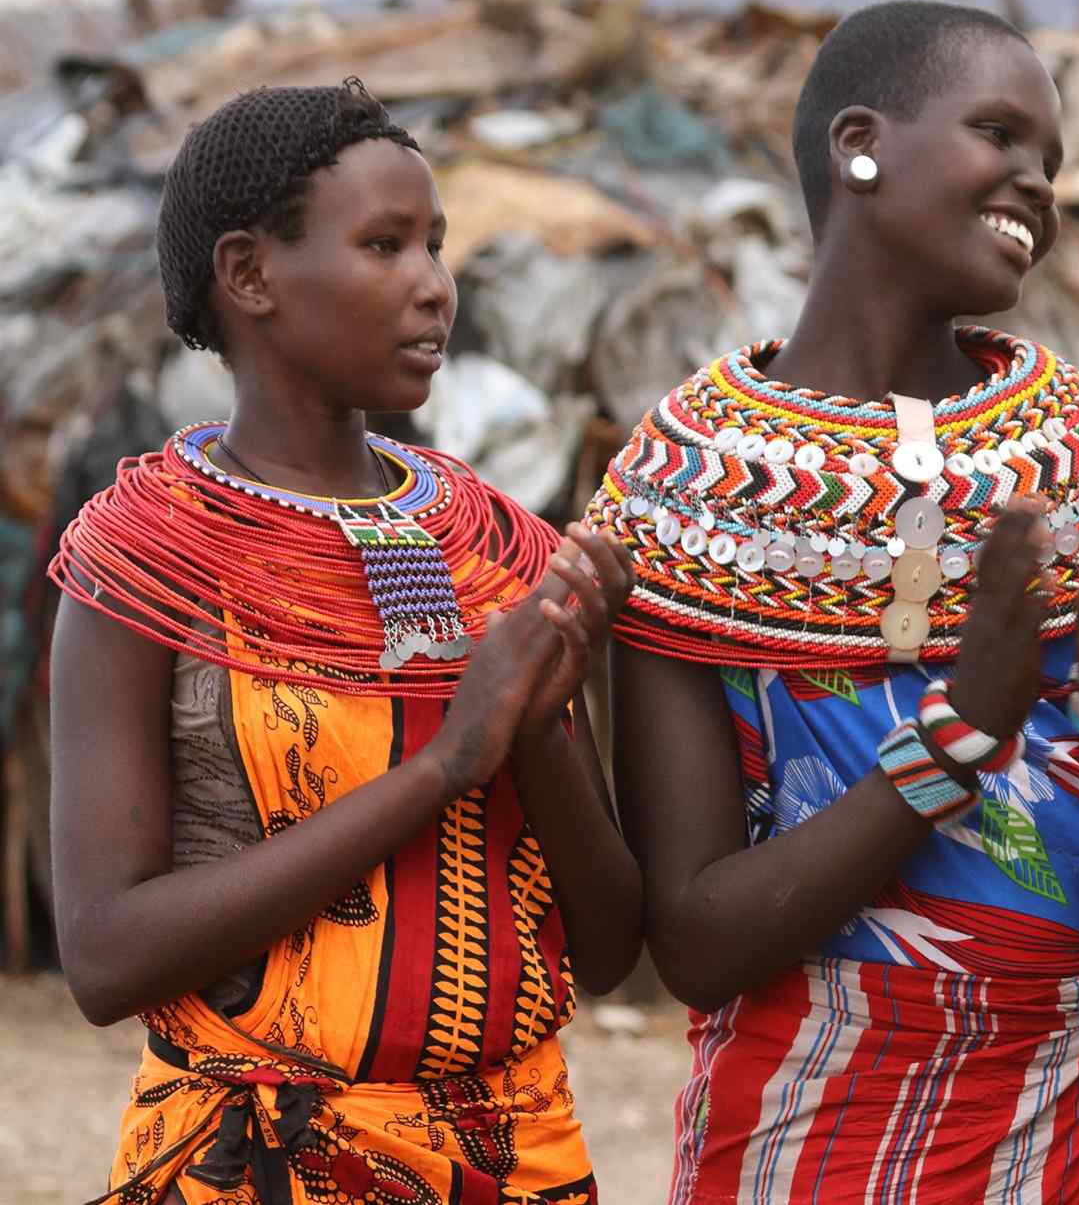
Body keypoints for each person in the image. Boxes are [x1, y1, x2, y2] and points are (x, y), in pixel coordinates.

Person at [594, 1, 1079, 1204]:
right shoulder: (685, 490)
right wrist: (964, 725)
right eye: (999, 133)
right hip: (809, 1132)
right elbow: (691, 939)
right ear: (861, 145)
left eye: (1051, 158)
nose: (1036, 182)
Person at [48, 81, 639, 1205]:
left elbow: (607, 946)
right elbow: (104, 953)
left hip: (514, 1158)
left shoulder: (493, 547)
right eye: (383, 245)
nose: (433, 285)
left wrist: (541, 726)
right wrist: (442, 765)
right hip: (250, 1164)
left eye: (435, 244)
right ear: (250, 274)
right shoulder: (146, 560)